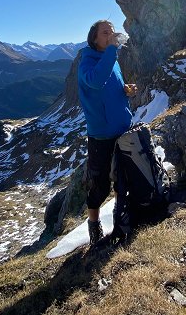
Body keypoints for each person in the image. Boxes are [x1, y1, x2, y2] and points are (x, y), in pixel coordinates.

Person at [77, 20, 137, 245]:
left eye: (112, 32)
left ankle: (121, 221)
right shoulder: (86, 63)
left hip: (122, 127)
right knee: (100, 183)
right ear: (94, 39)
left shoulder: (112, 59)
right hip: (101, 134)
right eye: (105, 33)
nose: (111, 36)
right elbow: (95, 82)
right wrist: (112, 49)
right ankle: (94, 225)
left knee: (124, 177)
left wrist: (126, 90)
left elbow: (111, 87)